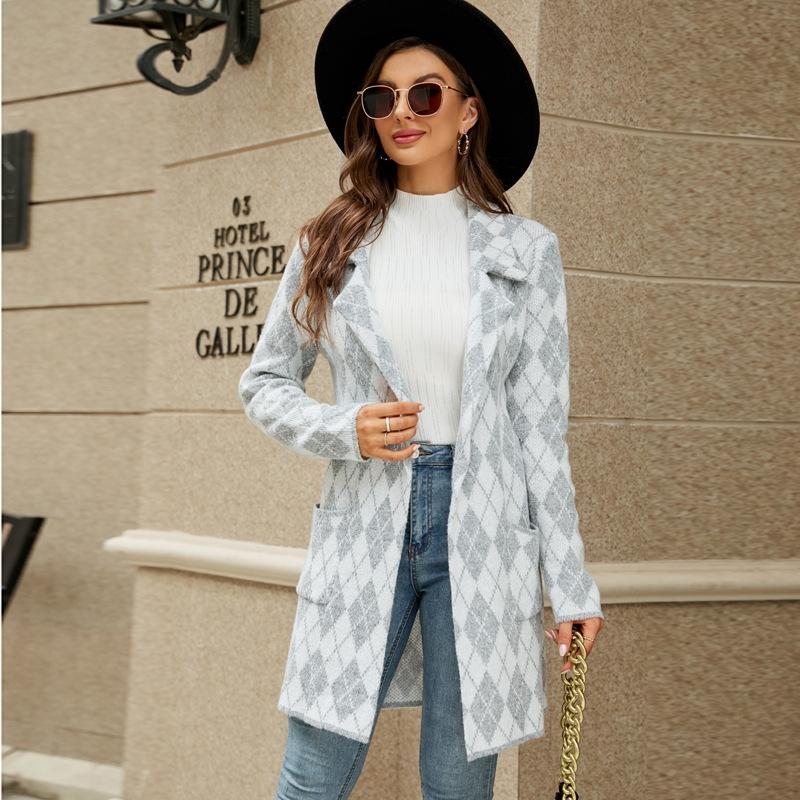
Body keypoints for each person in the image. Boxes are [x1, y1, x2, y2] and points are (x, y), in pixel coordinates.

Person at [238, 2, 605, 797]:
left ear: (469, 111)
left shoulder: (526, 251)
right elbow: (264, 383)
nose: (402, 112)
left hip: (485, 527)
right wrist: (345, 428)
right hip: (365, 516)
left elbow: (541, 430)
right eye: (383, 97)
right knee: (313, 772)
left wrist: (571, 584)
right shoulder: (329, 242)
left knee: (458, 781)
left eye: (426, 93)